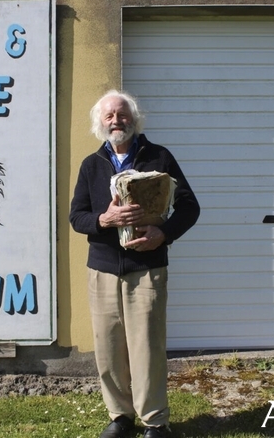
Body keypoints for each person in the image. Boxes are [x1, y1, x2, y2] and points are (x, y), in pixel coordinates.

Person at [69, 90, 200, 438]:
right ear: (100, 123)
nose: (116, 121)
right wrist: (104, 219)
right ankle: (120, 417)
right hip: (102, 270)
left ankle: (155, 421)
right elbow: (76, 217)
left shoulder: (159, 158)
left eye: (122, 114)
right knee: (109, 349)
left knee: (147, 348)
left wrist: (164, 233)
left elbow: (190, 208)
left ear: (134, 118)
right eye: (109, 116)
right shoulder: (91, 165)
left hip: (147, 270)